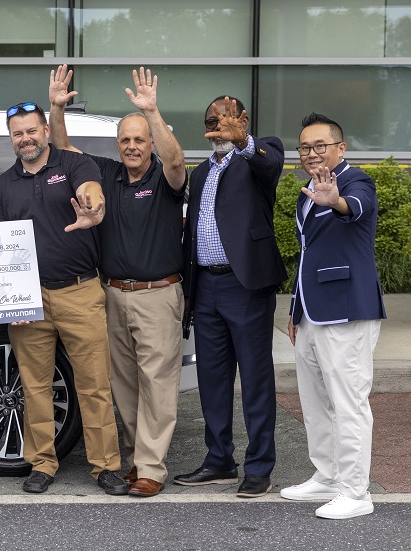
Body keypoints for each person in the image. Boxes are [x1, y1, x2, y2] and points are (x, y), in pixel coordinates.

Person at [48, 66, 186, 497]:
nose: (131, 146)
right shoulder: (105, 173)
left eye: (139, 140)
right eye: (125, 139)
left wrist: (151, 111)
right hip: (110, 294)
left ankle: (151, 468)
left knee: (157, 384)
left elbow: (177, 160)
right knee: (122, 385)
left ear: (150, 145)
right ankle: (136, 458)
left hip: (158, 295)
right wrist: (55, 106)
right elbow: (61, 146)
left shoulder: (166, 180)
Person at [0, 100, 128, 496]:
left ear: (45, 131)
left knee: (94, 385)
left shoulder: (73, 165)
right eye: (18, 133)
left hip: (80, 292)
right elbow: (0, 249)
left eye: (32, 130)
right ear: (11, 138)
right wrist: (10, 299)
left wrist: (93, 207)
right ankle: (42, 463)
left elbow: (91, 190)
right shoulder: (3, 186)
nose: (25, 139)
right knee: (34, 386)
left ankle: (105, 467)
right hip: (29, 298)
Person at [174, 96, 286, 498]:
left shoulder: (261, 153)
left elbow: (270, 164)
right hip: (205, 287)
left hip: (246, 285)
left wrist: (245, 143)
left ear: (243, 121)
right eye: (210, 120)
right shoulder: (200, 171)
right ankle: (219, 460)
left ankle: (259, 467)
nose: (217, 127)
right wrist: (189, 289)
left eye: (226, 120)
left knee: (255, 379)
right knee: (212, 380)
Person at [281, 113, 385, 520]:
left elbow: (355, 209)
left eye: (320, 145)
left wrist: (336, 200)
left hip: (346, 309)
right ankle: (327, 475)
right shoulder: (307, 191)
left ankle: (356, 491)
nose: (311, 153)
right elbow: (309, 255)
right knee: (315, 399)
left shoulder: (356, 180)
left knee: (349, 401)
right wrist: (295, 309)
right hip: (311, 312)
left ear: (341, 148)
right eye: (305, 147)